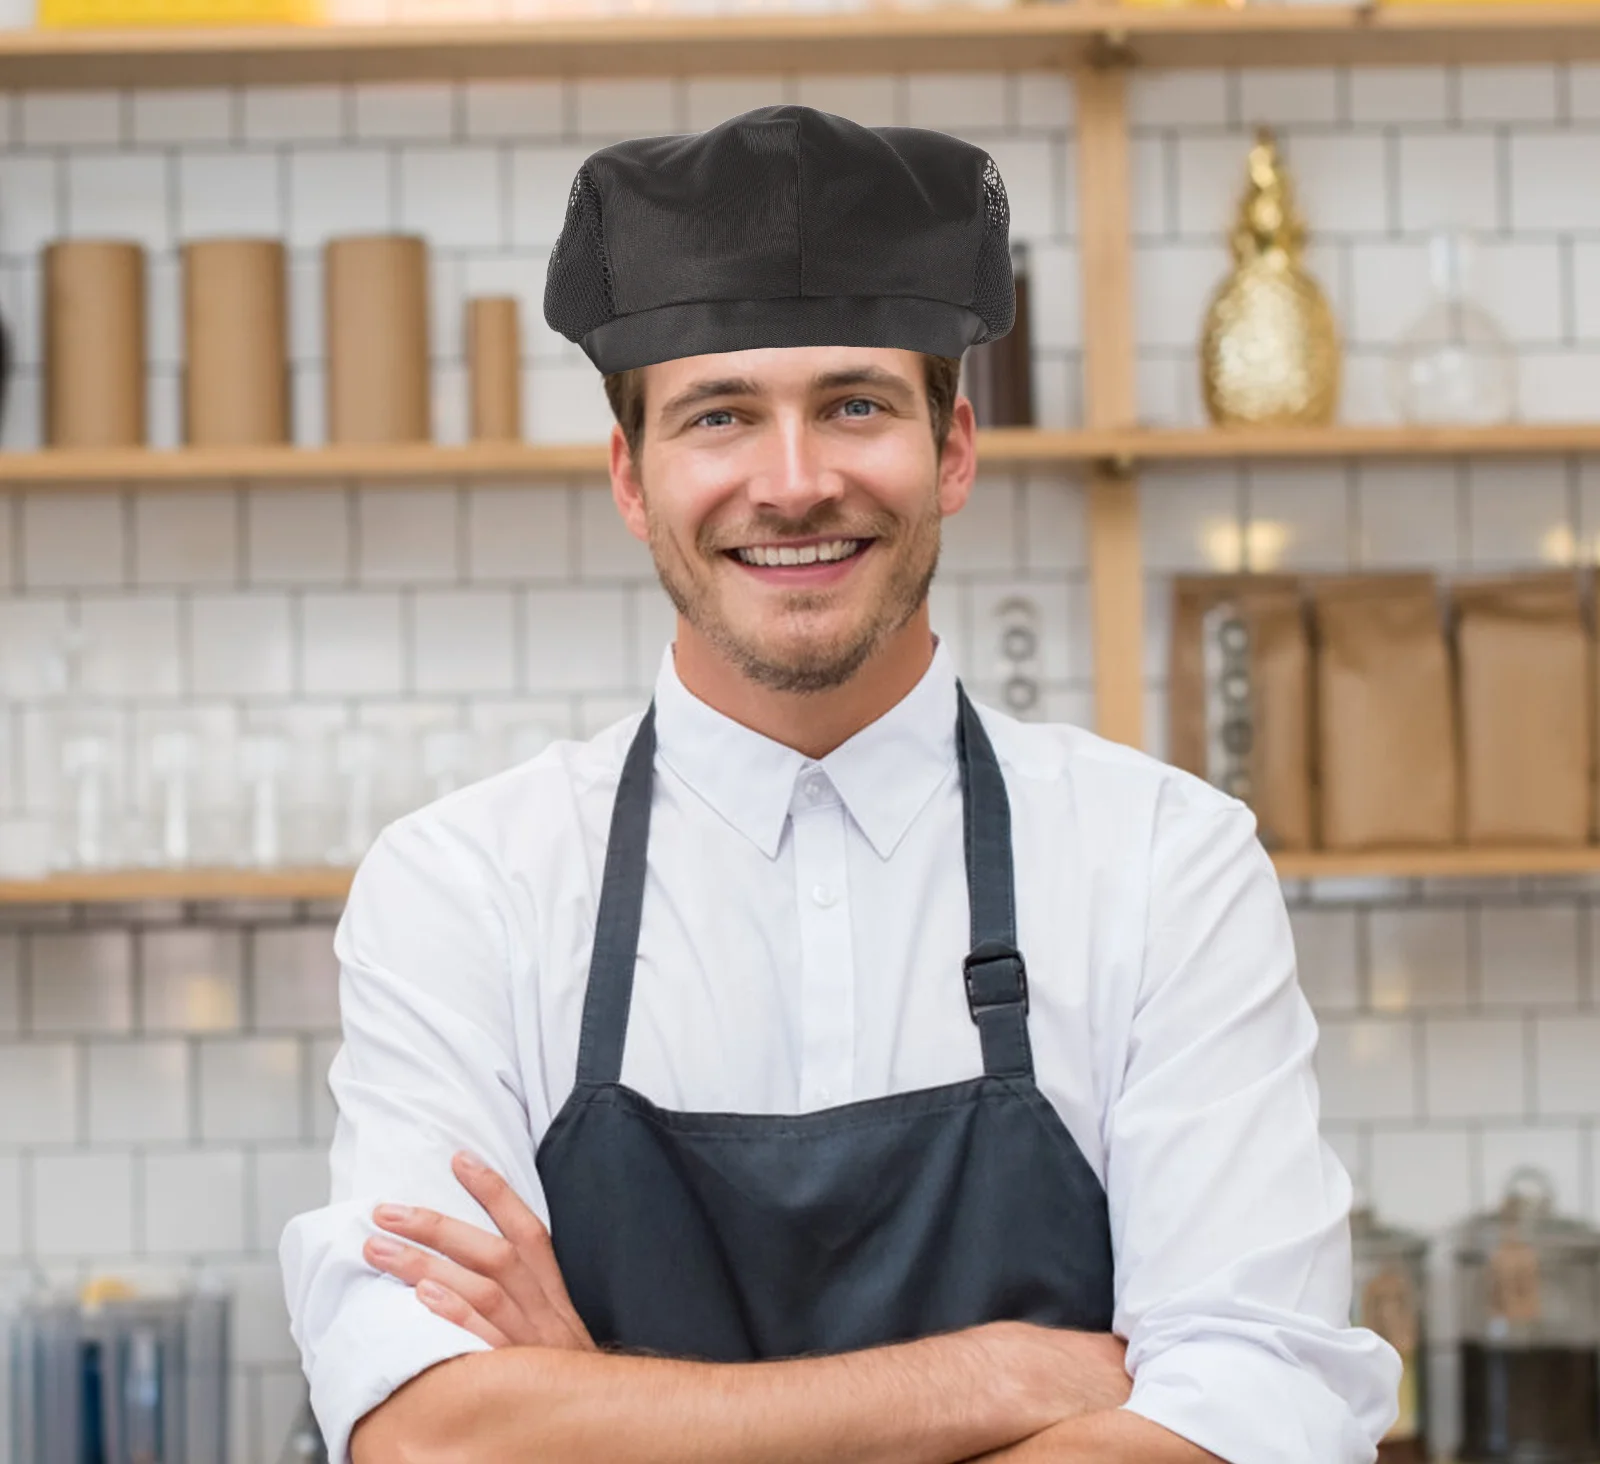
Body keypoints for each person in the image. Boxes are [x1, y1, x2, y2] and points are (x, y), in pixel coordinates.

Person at [281, 106, 1400, 1464]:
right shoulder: (466, 887)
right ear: (633, 478)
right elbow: (427, 1435)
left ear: (954, 449)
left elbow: (1259, 1407)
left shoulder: (1167, 862)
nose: (796, 483)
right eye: (721, 417)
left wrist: (592, 1405)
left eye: (855, 406)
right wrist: (984, 1381)